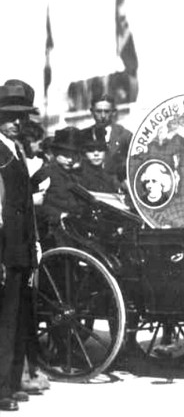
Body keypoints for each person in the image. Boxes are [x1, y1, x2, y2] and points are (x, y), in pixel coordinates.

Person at [0, 84, 40, 411]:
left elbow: (26, 203)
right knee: (3, 321)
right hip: (4, 248)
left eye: (20, 118)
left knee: (18, 319)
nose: (16, 123)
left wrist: (35, 243)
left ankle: (12, 383)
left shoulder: (16, 149)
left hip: (22, 248)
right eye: (10, 117)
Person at [39, 127, 86, 238]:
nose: (70, 159)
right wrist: (58, 215)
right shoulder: (45, 174)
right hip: (53, 230)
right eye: (65, 154)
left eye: (74, 155)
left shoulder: (76, 175)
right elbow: (35, 205)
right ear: (55, 153)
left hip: (75, 229)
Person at [80, 94, 133, 181]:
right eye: (98, 111)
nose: (103, 116)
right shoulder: (83, 136)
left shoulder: (125, 136)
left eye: (107, 111)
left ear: (114, 112)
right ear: (92, 111)